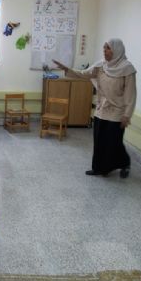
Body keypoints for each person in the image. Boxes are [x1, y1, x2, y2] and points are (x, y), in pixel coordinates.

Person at [54, 38, 136, 178]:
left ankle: (124, 163)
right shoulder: (101, 66)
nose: (105, 51)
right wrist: (67, 69)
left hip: (117, 112)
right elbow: (83, 74)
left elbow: (131, 94)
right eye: (104, 48)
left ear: (117, 50)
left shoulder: (127, 69)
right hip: (101, 110)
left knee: (114, 142)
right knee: (99, 140)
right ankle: (99, 168)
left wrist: (127, 115)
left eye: (108, 48)